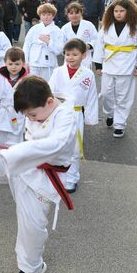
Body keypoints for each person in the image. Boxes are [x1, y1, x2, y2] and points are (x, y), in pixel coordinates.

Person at [0, 75, 77, 273]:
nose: (31, 119)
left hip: (45, 176)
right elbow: (29, 136)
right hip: (25, 167)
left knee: (33, 225)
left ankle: (31, 267)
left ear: (50, 102)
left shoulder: (66, 118)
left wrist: (15, 153)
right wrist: (16, 153)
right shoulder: (38, 109)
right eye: (28, 115)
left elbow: (54, 144)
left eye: (33, 114)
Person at [93, 0, 137, 138]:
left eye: (122, 11)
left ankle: (119, 124)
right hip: (109, 64)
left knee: (123, 97)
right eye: (116, 11)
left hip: (127, 66)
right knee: (106, 94)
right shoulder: (106, 27)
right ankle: (110, 114)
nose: (118, 14)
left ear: (128, 11)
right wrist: (98, 64)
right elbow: (99, 45)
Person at [48, 39, 98, 193]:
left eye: (75, 54)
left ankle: (71, 178)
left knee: (75, 148)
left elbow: (91, 97)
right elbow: (49, 92)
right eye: (68, 54)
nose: (70, 57)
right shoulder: (58, 72)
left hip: (77, 113)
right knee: (58, 145)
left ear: (83, 55)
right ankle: (57, 176)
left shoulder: (88, 74)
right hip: (59, 112)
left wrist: (90, 117)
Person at [0, 47, 29, 147]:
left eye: (17, 64)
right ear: (5, 63)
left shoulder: (27, 79)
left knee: (15, 146)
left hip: (17, 113)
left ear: (23, 63)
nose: (13, 67)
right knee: (0, 143)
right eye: (10, 64)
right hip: (1, 113)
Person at [22, 3, 64, 81]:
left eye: (49, 14)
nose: (46, 17)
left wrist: (49, 42)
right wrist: (25, 62)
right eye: (43, 14)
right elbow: (26, 46)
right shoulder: (34, 29)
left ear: (53, 16)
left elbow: (59, 50)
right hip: (34, 63)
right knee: (33, 86)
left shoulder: (57, 30)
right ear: (40, 16)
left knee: (49, 87)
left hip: (49, 64)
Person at [60, 2, 98, 69]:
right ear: (67, 15)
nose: (74, 15)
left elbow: (96, 39)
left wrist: (89, 46)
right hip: (70, 59)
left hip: (85, 58)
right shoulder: (64, 28)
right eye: (71, 13)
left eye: (77, 13)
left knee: (84, 77)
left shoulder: (89, 25)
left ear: (81, 13)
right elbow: (61, 43)